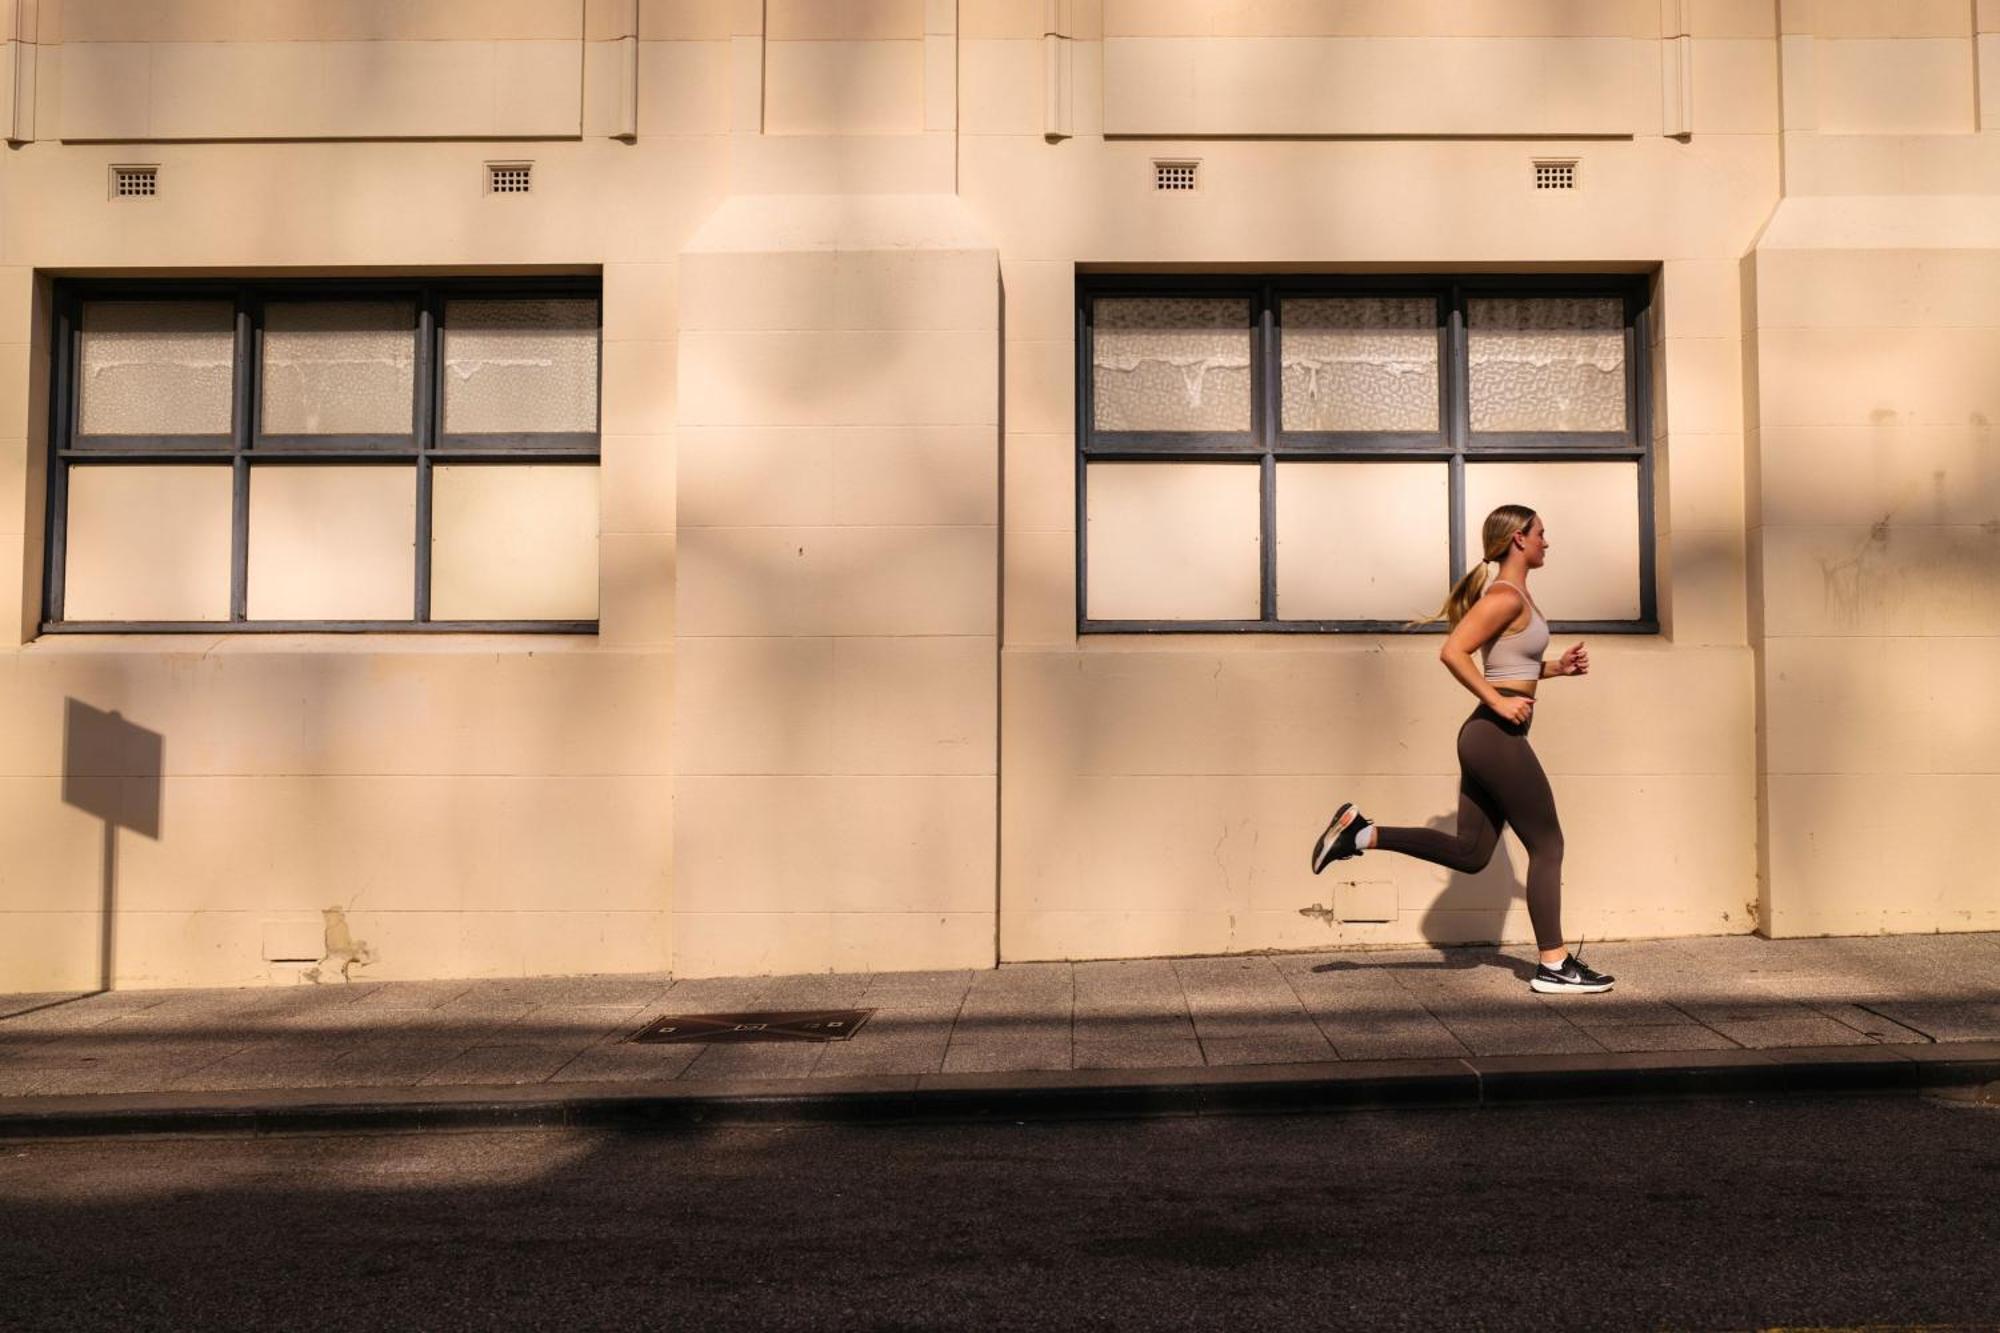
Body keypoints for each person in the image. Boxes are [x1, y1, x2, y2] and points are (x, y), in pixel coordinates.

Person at [1310, 504, 1614, 995]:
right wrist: (1496, 700)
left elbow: (1507, 664)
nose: (1547, 541)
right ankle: (1553, 965)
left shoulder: (1519, 595)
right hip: (1494, 735)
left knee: (1472, 854)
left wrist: (1555, 669)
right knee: (1548, 844)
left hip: (1487, 736)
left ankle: (1361, 835)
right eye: (1541, 533)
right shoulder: (1504, 596)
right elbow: (1453, 651)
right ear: (1519, 539)